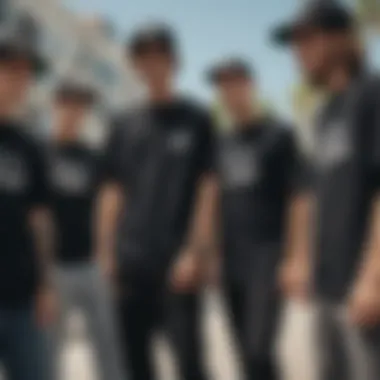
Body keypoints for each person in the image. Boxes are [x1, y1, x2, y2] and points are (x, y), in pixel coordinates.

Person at [98, 23, 214, 380]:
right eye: (143, 58)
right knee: (135, 363)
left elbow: (208, 191)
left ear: (174, 61)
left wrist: (195, 251)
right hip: (131, 264)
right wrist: (105, 255)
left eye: (158, 56)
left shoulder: (197, 119)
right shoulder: (123, 124)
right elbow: (111, 193)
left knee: (190, 364)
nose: (151, 65)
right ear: (136, 65)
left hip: (177, 265)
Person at [272, 1, 380, 378]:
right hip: (326, 287)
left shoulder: (373, 95)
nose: (297, 53)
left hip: (364, 292)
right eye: (294, 44)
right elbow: (312, 195)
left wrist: (373, 277)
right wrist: (299, 257)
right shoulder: (323, 114)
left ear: (342, 39)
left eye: (307, 39)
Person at [206, 58, 305, 380]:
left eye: (235, 83)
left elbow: (299, 198)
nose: (229, 92)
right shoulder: (220, 143)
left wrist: (295, 258)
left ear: (250, 85)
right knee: (243, 353)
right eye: (222, 86)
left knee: (258, 348)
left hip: (268, 253)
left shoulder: (279, 135)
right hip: (231, 258)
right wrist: (211, 254)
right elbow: (214, 202)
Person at [47, 78, 126, 380]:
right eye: (68, 103)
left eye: (81, 106)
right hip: (53, 267)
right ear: (56, 105)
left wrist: (109, 255)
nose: (74, 111)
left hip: (92, 265)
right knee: (50, 350)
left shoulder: (95, 158)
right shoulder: (38, 152)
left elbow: (110, 210)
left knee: (108, 348)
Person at [0, 22, 54, 380]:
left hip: (21, 299)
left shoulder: (30, 146)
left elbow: (40, 222)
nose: (20, 81)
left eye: (27, 74)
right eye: (11, 69)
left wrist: (46, 285)